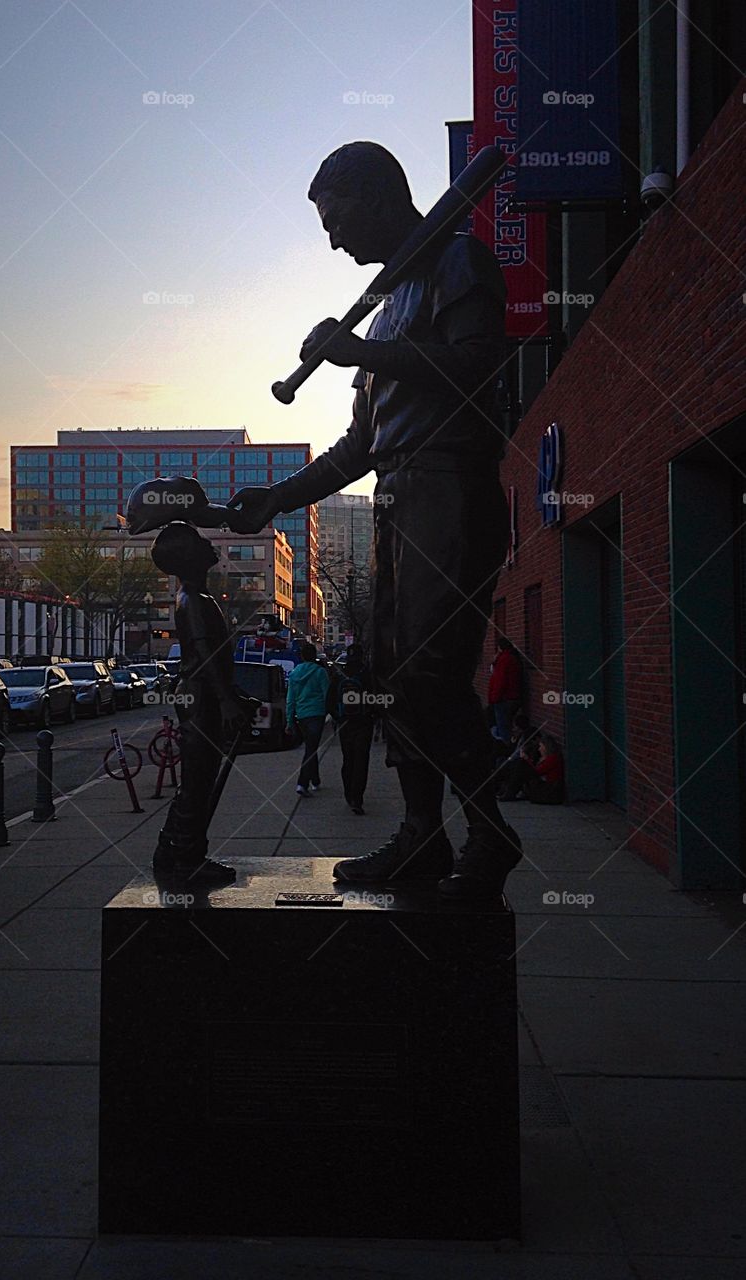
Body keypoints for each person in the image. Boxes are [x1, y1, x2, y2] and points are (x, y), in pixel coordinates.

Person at [228, 141, 521, 902]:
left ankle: (489, 835)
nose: (331, 239)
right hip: (399, 493)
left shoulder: (460, 261)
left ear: (382, 196)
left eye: (337, 218)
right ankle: (422, 834)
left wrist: (362, 349)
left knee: (429, 673)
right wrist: (275, 498)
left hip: (450, 487)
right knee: (392, 679)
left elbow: (478, 369)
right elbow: (361, 447)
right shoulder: (390, 302)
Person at [149, 521, 255, 882]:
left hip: (203, 694)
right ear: (189, 557)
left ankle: (173, 853)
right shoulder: (191, 599)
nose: (209, 543)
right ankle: (184, 857)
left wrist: (233, 693)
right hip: (200, 699)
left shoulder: (201, 597)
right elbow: (206, 654)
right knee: (196, 781)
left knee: (198, 779)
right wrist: (226, 700)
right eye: (199, 540)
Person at [286, 642, 330, 796]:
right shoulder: (320, 673)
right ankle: (302, 783)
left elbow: (290, 699)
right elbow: (327, 695)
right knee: (311, 749)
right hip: (317, 714)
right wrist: (330, 713)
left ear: (302, 656)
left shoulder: (294, 674)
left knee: (311, 747)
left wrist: (290, 720)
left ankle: (315, 780)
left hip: (302, 715)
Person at [337, 643, 374, 814]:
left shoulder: (340, 674)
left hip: (345, 723)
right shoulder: (367, 675)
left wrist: (337, 716)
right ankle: (356, 798)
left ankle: (348, 793)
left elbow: (330, 699)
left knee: (348, 759)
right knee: (361, 761)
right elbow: (377, 697)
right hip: (363, 723)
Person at [498, 732, 565, 804]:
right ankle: (505, 789)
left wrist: (526, 760)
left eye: (540, 746)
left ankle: (505, 789)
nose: (539, 749)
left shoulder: (553, 759)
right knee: (517, 765)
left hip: (548, 790)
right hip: (543, 787)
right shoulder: (547, 758)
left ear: (546, 747)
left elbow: (537, 771)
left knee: (520, 764)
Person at [487, 635, 522, 743]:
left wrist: (494, 699)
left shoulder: (504, 660)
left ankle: (505, 750)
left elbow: (499, 681)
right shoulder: (513, 657)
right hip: (513, 697)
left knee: (504, 729)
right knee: (508, 726)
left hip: (504, 699)